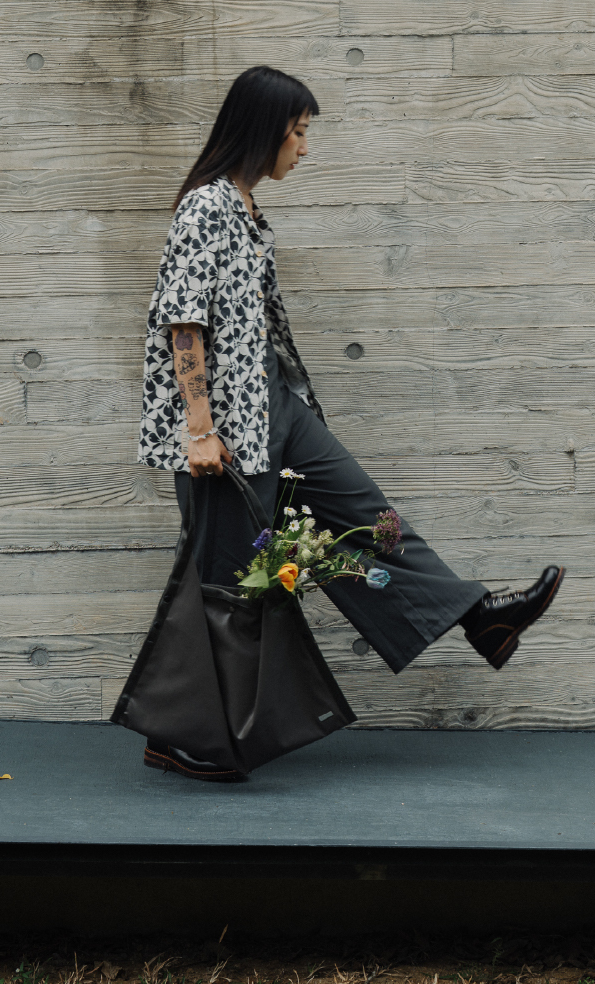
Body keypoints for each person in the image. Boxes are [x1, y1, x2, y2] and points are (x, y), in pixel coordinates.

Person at [138, 63, 564, 781]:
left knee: (367, 517)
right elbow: (183, 320)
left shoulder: (246, 209)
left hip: (275, 407)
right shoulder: (205, 206)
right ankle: (181, 735)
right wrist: (201, 428)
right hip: (227, 428)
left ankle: (478, 615)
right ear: (263, 130)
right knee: (234, 584)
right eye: (298, 133)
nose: (305, 148)